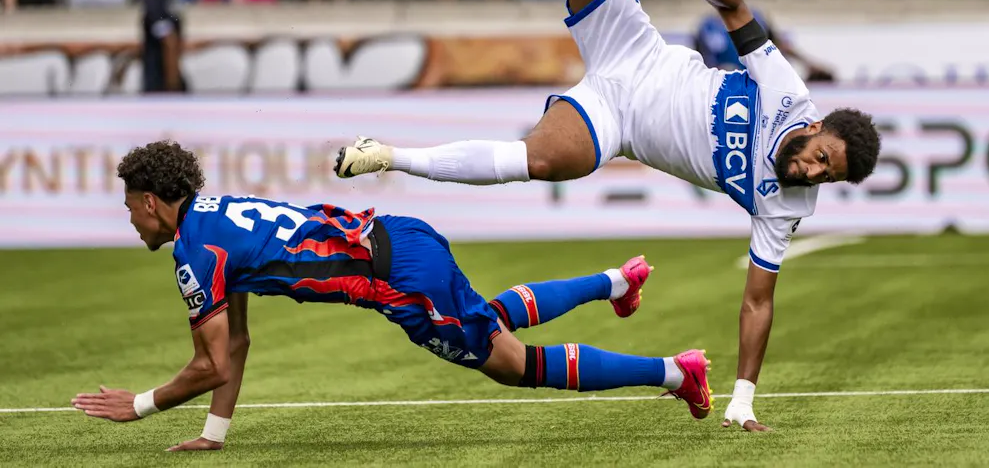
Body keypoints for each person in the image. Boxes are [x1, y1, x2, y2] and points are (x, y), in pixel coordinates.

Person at [334, 0, 882, 432]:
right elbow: (738, 14)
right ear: (815, 127)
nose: (813, 175)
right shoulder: (789, 94)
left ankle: (388, 155)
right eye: (822, 159)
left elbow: (758, 300)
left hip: (615, 122)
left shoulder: (786, 206)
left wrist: (742, 399)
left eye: (825, 179)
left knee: (539, 161)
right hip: (635, 48)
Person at [70, 141, 713, 450]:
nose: (130, 220)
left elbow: (210, 362)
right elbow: (233, 343)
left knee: (513, 366)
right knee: (488, 321)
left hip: (398, 280)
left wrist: (142, 405)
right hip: (400, 237)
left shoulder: (194, 252)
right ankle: (617, 282)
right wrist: (215, 432)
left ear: (153, 202)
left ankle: (674, 373)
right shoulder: (212, 216)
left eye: (130, 207)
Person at [694, 9, 836, 83]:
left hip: (760, 80)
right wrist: (722, 70)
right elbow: (702, 63)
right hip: (728, 85)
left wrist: (808, 63)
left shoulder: (754, 17)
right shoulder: (706, 26)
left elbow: (776, 44)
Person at [140, 0, 188, 94]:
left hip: (160, 81)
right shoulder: (170, 1)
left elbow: (169, 39)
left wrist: (172, 81)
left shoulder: (155, 2)